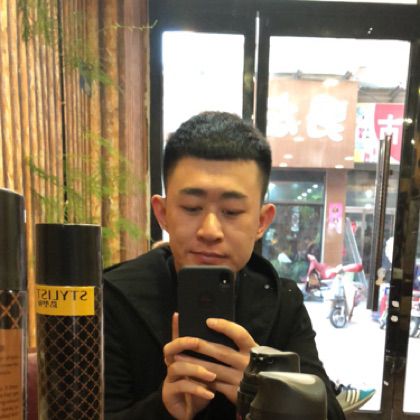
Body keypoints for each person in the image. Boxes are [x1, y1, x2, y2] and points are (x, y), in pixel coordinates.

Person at [103, 111, 345, 419]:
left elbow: (329, 412)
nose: (210, 230)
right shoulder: (116, 298)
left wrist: (269, 396)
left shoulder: (282, 302)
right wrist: (163, 409)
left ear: (261, 221)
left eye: (231, 211)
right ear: (162, 213)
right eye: (191, 207)